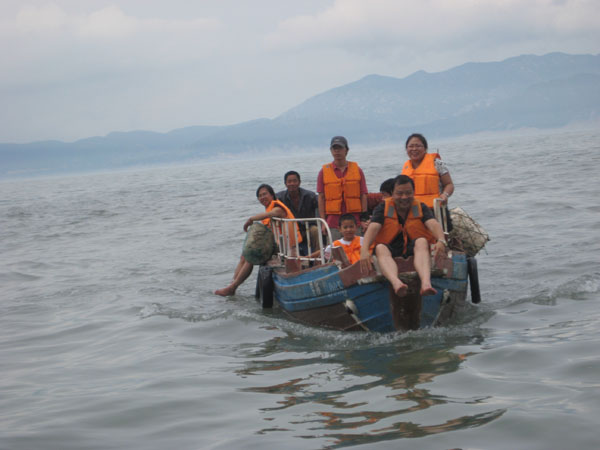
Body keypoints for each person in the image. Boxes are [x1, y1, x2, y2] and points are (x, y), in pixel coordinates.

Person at [360, 175, 448, 297]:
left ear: (414, 192)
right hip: (390, 250)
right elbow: (373, 227)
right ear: (392, 193)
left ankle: (426, 284)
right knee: (380, 247)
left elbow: (433, 223)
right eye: (399, 193)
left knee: (422, 241)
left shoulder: (420, 207)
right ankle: (396, 283)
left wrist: (441, 240)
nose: (404, 197)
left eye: (408, 193)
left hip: (415, 250)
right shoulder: (383, 208)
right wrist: (364, 250)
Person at [214, 184, 301, 297]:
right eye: (260, 196)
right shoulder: (269, 208)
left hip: (287, 246)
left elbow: (271, 214)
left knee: (251, 257)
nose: (262, 197)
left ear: (272, 195)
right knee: (244, 256)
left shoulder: (278, 208)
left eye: (265, 194)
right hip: (278, 245)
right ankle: (231, 284)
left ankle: (233, 287)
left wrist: (251, 219)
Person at [316, 136, 369, 239]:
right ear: (331, 151)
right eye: (334, 148)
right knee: (335, 248)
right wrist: (323, 222)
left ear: (346, 150)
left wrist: (363, 219)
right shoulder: (323, 172)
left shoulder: (357, 170)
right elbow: (321, 198)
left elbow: (363, 195)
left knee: (356, 248)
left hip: (354, 221)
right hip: (333, 222)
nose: (337, 151)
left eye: (340, 148)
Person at [401, 133, 454, 209]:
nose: (414, 149)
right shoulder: (405, 167)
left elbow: (449, 184)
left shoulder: (437, 163)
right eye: (411, 146)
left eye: (418, 146)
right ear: (406, 149)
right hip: (413, 210)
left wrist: (445, 195)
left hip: (436, 209)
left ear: (425, 148)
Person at [276, 171, 319, 254]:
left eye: (295, 181)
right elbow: (270, 206)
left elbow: (320, 204)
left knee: (315, 230)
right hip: (291, 230)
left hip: (307, 227)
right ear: (285, 184)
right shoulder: (279, 198)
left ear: (299, 182)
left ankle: (318, 256)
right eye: (289, 181)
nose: (292, 184)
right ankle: (286, 257)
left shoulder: (310, 195)